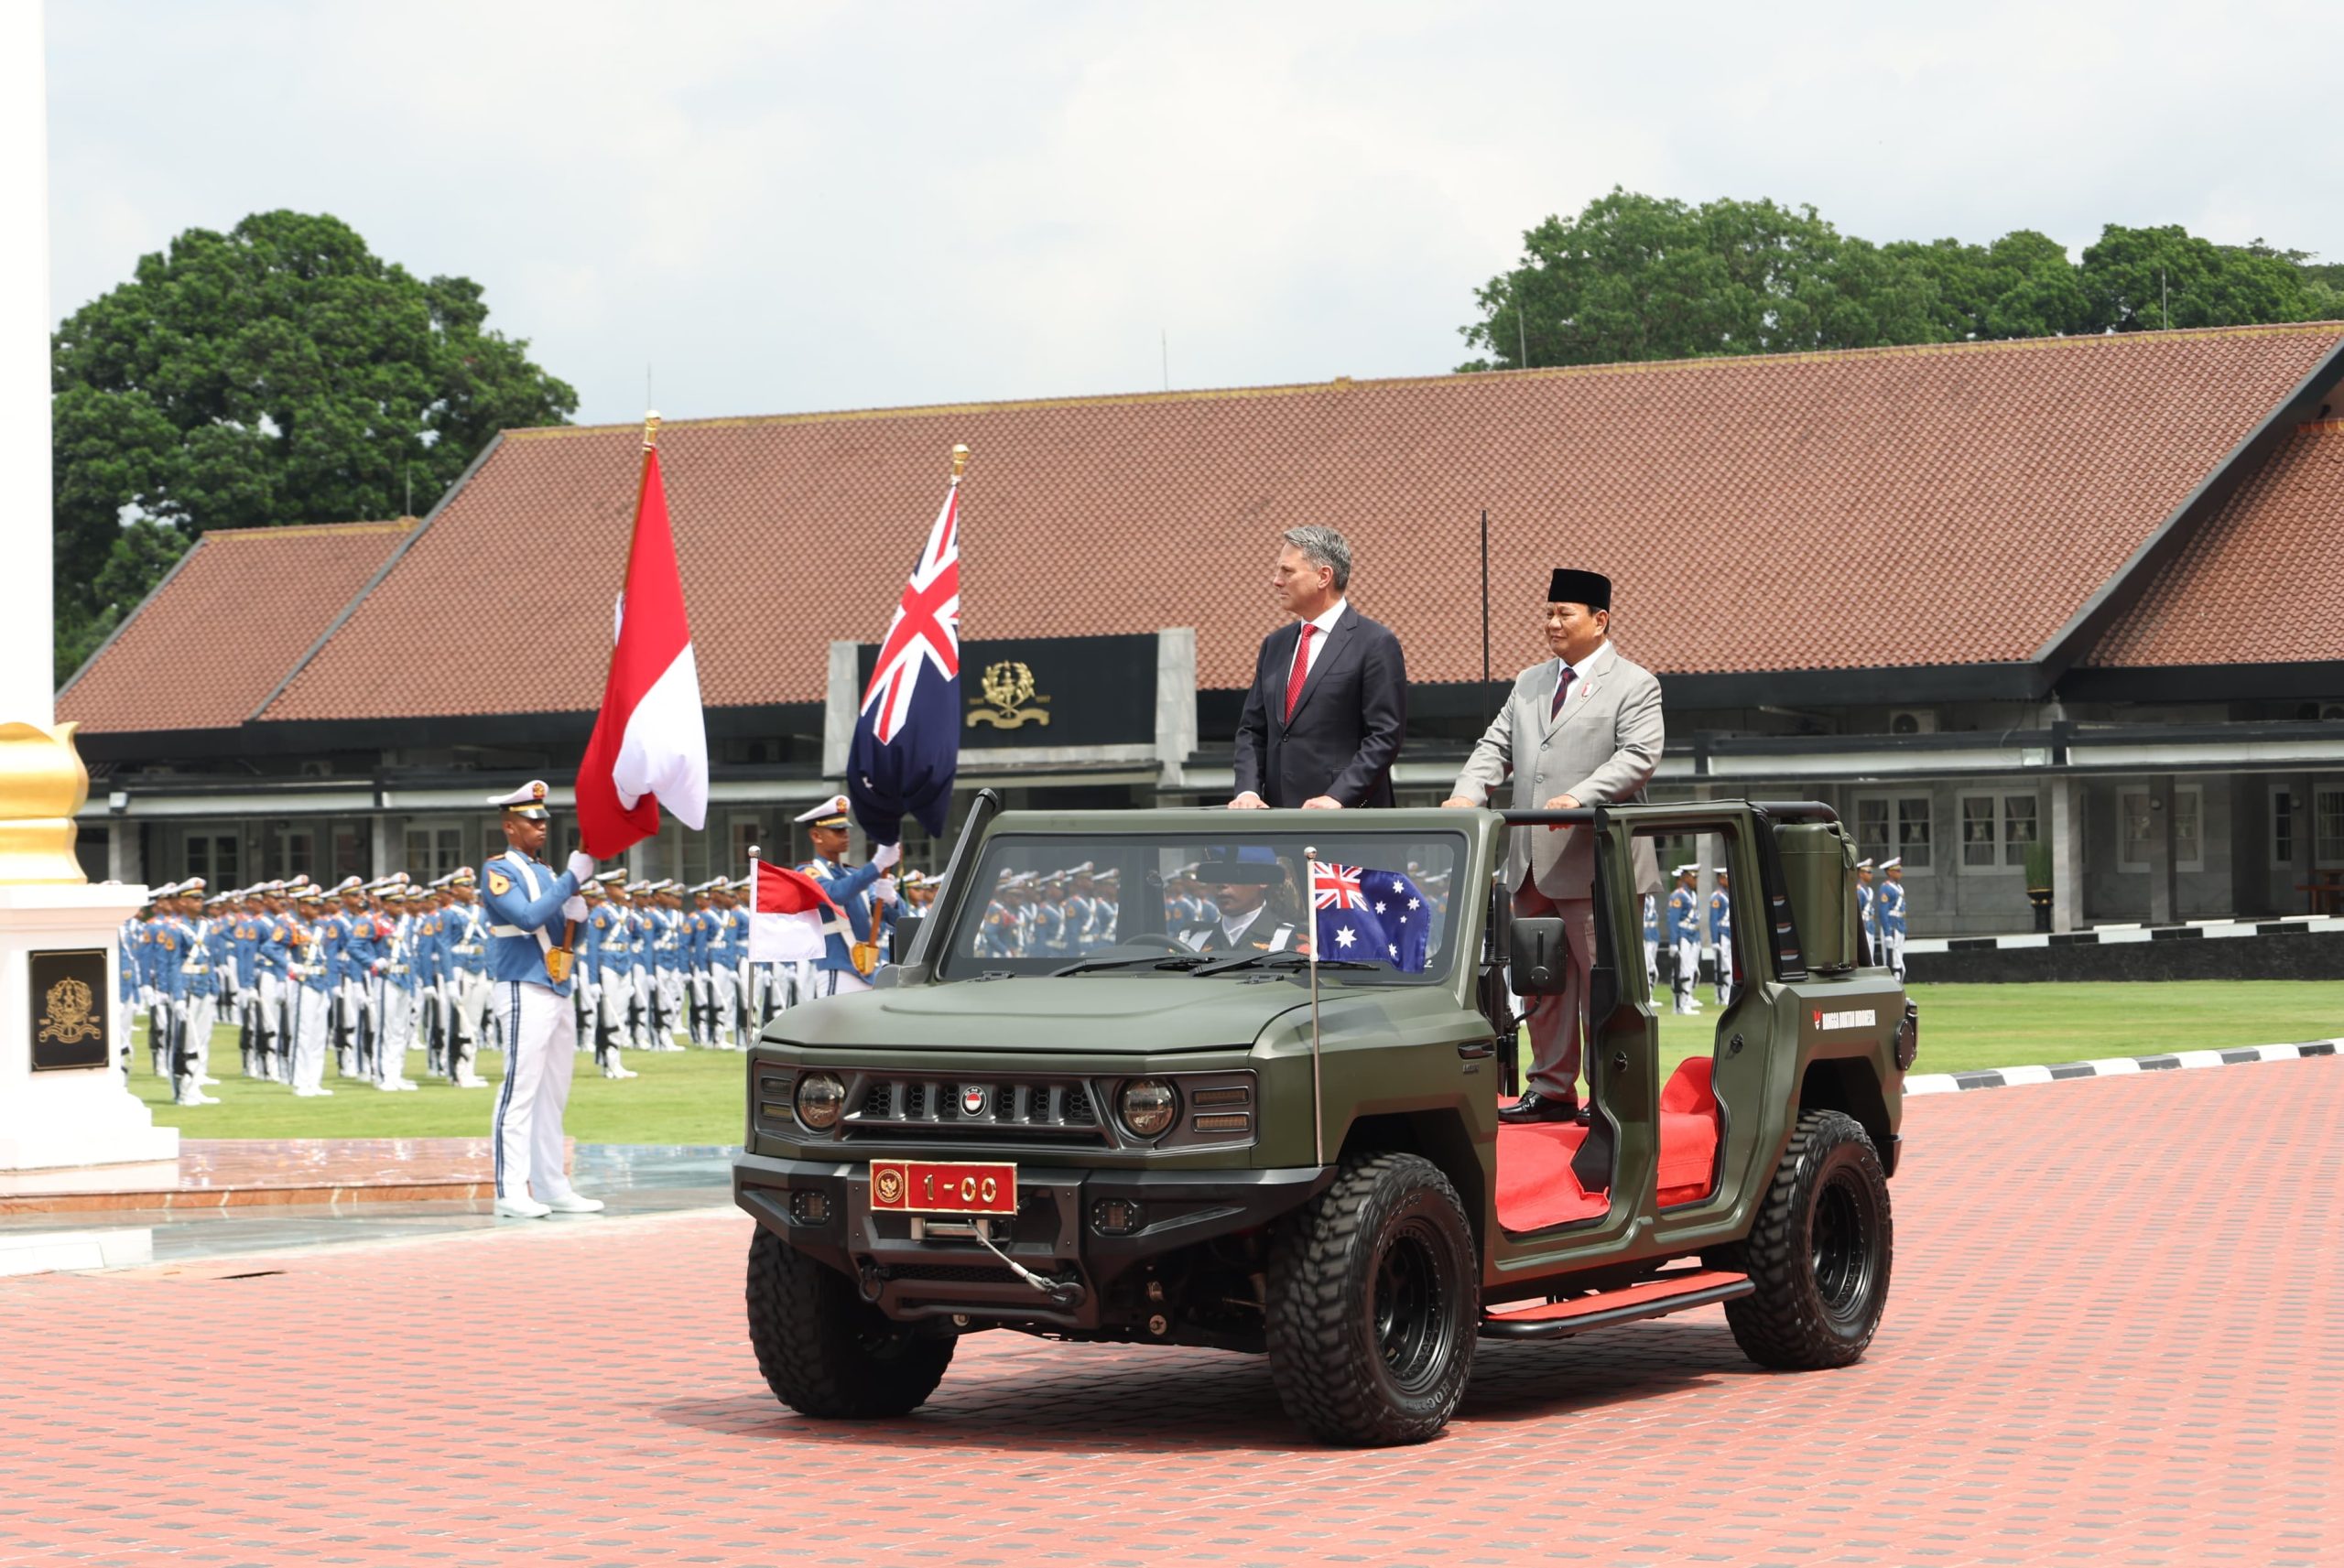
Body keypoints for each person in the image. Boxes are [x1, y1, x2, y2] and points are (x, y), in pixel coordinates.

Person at [1444, 568, 1664, 1123]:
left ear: (1600, 619)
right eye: (1547, 613)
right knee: (1542, 985)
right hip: (1529, 864)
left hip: (1596, 863)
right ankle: (1551, 1089)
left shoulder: (1633, 683)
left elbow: (1638, 756)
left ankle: (1613, 1093)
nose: (1552, 623)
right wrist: (1467, 795)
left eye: (1564, 613)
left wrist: (1580, 796)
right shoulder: (1530, 682)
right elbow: (1494, 745)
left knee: (1603, 987)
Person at [480, 779, 602, 1219]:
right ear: (510, 826)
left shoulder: (547, 872)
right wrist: (571, 879)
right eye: (531, 820)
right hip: (521, 981)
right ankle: (510, 1188)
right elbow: (527, 916)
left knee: (553, 1092)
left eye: (543, 819)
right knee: (520, 1090)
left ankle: (551, 1184)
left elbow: (568, 931)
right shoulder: (500, 870)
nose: (541, 826)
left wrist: (579, 913)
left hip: (557, 981)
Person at [1231, 524, 1406, 811]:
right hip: (1279, 822)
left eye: (1287, 572)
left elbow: (1385, 736)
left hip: (1349, 823)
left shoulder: (1374, 643)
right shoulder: (1274, 645)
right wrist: (1248, 791)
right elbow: (1252, 730)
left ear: (1324, 576)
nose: (1276, 581)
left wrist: (1338, 796)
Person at [796, 796, 900, 997]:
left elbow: (895, 920)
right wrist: (876, 866)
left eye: (845, 830)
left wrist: (890, 899)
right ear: (817, 836)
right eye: (837, 831)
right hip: (839, 967)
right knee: (835, 1028)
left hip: (871, 967)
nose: (845, 835)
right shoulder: (807, 872)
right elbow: (837, 894)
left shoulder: (854, 875)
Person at [1176, 848, 1306, 953]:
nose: (1222, 884)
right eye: (1217, 874)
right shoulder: (1192, 940)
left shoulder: (1290, 941)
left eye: (1235, 873)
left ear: (1263, 879)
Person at [1667, 865, 1703, 1015]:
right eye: (1693, 877)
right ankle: (1680, 1006)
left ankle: (1686, 1000)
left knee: (1692, 970)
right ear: (1685, 877)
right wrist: (1673, 943)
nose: (1695, 880)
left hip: (1693, 936)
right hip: (1683, 937)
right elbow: (1673, 920)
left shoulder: (1692, 895)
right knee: (1683, 971)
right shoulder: (1678, 895)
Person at [1878, 858, 1908, 980]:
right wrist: (1887, 933)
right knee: (1895, 963)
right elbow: (1883, 912)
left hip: (1899, 926)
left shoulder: (1899, 888)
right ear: (1889, 872)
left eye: (1900, 870)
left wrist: (1904, 929)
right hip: (1892, 926)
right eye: (1896, 870)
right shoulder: (1885, 888)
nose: (1899, 872)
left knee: (1899, 959)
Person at [1709, 867, 1734, 1006]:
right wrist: (1715, 940)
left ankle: (1727, 995)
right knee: (1723, 967)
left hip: (1730, 934)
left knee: (1729, 967)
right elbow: (1713, 920)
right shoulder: (1717, 897)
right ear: (1720, 879)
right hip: (1722, 935)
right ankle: (1722, 996)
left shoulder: (1729, 894)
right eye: (1725, 877)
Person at [1855, 859, 1878, 967]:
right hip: (1864, 926)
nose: (1871, 874)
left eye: (1871, 872)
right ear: (1860, 873)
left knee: (1871, 956)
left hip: (1870, 926)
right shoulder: (1859, 890)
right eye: (1868, 872)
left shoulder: (1869, 890)